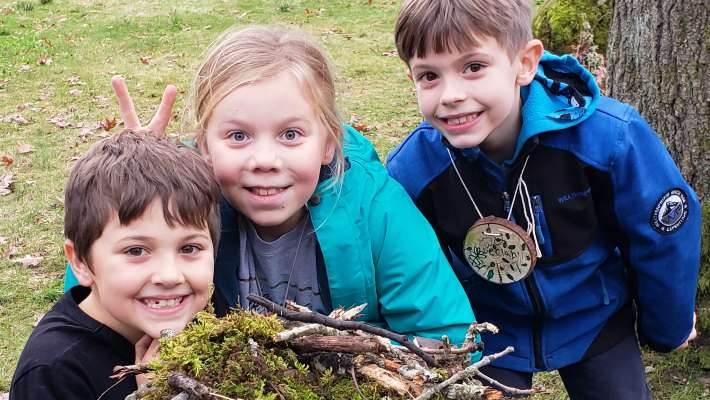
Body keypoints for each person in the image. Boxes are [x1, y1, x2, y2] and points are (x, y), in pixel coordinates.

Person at [66, 26, 477, 348]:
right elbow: (93, 298)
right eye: (239, 137)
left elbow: (451, 336)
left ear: (329, 141)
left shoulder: (376, 209)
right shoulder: (185, 200)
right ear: (205, 145)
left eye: (291, 135)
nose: (264, 160)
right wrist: (133, 191)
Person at [385, 0, 700, 398]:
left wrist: (667, 325)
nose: (451, 95)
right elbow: (398, 264)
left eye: (474, 67)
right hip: (487, 331)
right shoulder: (413, 169)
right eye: (429, 75)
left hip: (596, 318)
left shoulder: (611, 139)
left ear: (525, 62)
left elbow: (665, 235)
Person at [11, 130, 221, 400]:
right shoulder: (53, 372)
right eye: (136, 250)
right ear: (81, 262)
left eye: (189, 248)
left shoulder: (203, 311)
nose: (170, 276)